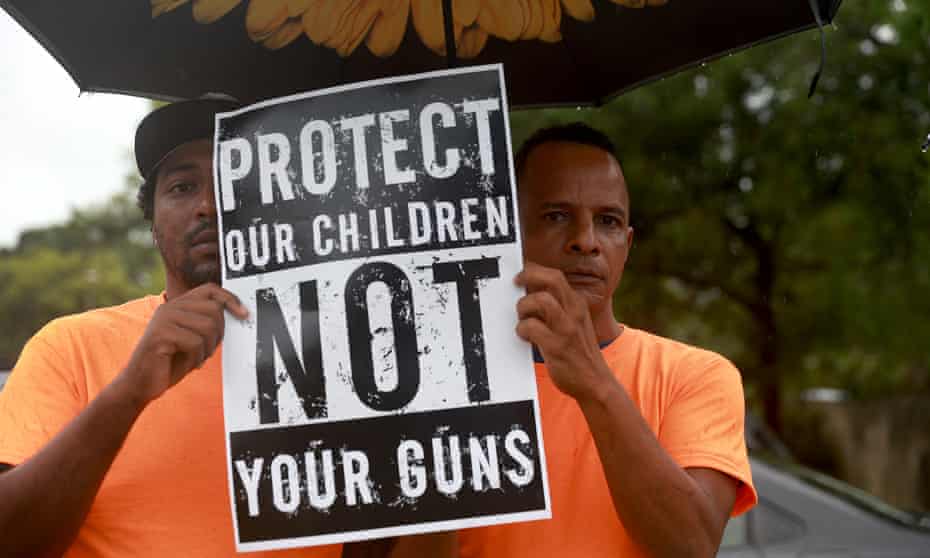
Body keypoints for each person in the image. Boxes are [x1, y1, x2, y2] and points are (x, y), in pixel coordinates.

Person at [0, 98, 446, 558]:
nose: (209, 205)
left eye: (236, 180)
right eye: (182, 186)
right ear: (152, 224)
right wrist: (128, 393)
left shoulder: (354, 359)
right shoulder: (68, 347)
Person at [456, 123, 757, 557]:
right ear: (506, 231)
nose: (585, 241)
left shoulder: (696, 376)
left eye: (608, 222)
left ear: (628, 244)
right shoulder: (455, 380)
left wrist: (594, 382)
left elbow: (691, 546)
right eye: (556, 216)